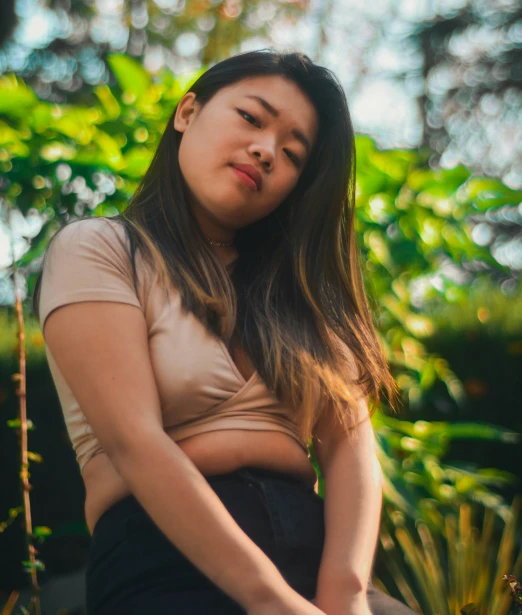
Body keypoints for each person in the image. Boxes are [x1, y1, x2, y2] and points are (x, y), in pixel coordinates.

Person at [33, 49, 415, 615]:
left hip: (312, 566)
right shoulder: (100, 249)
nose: (266, 151)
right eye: (251, 119)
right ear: (187, 111)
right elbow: (135, 443)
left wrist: (347, 594)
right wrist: (271, 603)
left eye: (292, 154)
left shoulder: (300, 294)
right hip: (164, 565)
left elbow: (350, 450)